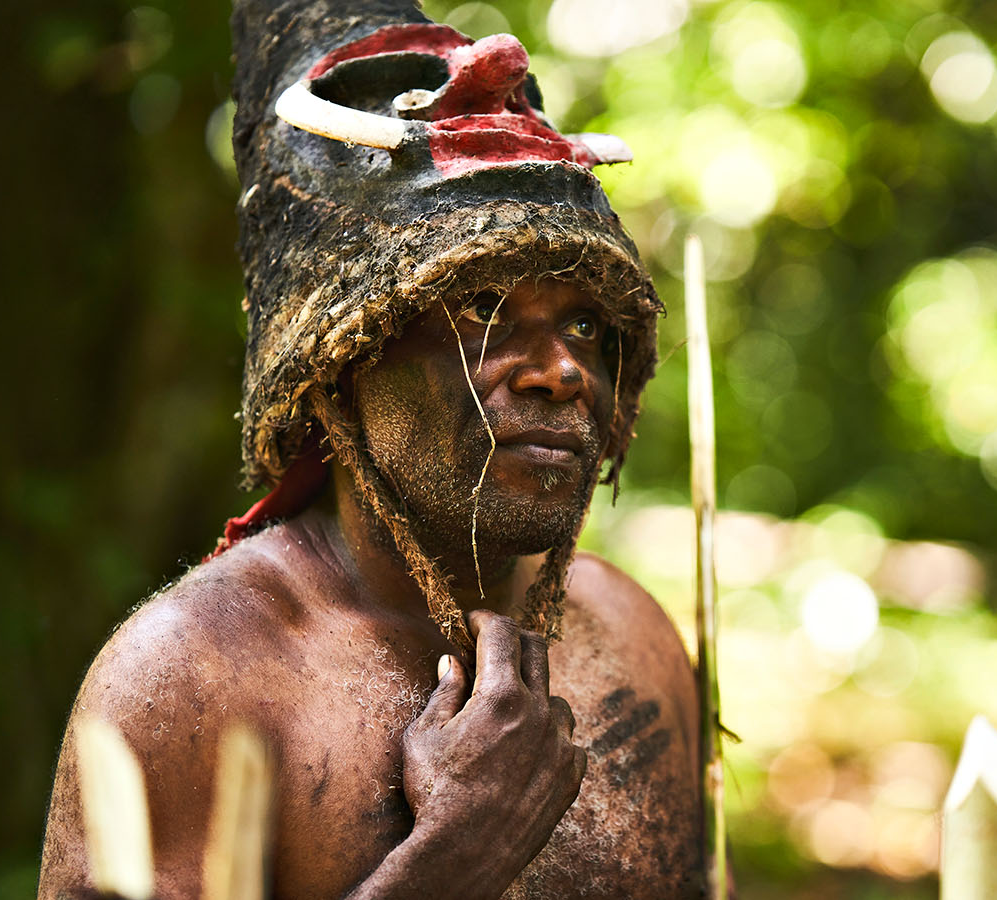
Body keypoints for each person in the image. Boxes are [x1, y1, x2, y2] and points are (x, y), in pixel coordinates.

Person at [38, 1, 702, 897]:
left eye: (584, 323)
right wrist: (453, 860)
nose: (560, 371)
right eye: (482, 308)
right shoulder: (195, 680)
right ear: (342, 364)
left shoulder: (634, 636)